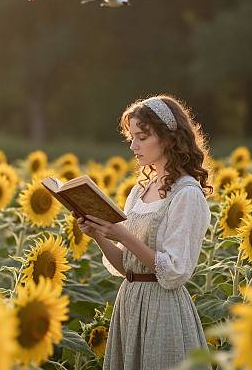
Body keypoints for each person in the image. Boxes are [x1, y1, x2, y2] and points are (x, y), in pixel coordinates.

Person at [78, 94, 213, 370]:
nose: (133, 144)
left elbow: (174, 271)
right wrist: (100, 235)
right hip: (129, 302)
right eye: (131, 137)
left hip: (163, 310)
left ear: (168, 138)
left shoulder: (187, 194)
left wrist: (123, 235)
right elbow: (126, 265)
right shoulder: (140, 191)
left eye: (142, 136)